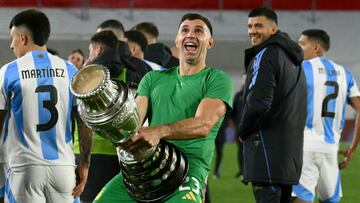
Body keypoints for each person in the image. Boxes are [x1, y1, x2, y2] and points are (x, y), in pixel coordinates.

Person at [93, 13, 233, 203]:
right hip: (143, 169)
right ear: (177, 40)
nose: (190, 34)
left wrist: (159, 131)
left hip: (188, 171)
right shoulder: (153, 78)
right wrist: (109, 122)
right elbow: (134, 121)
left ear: (210, 42)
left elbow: (203, 124)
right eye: (185, 30)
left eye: (198, 31)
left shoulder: (217, 79)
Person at [0, 9, 92, 203]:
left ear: (22, 38)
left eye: (13, 38)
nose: (11, 45)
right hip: (64, 169)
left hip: (25, 169)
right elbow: (84, 121)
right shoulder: (71, 70)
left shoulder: (8, 71)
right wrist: (85, 163)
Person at [237, 7, 307, 203]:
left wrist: (243, 131)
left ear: (273, 29)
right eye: (250, 26)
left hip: (267, 148)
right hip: (289, 153)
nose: (252, 31)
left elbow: (258, 103)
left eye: (259, 25)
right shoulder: (294, 61)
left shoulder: (266, 54)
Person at [292, 29, 360, 203]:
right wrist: (352, 148)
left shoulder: (300, 68)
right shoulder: (345, 74)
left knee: (301, 197)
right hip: (330, 149)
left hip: (304, 146)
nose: (298, 47)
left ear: (315, 48)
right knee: (329, 199)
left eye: (302, 43)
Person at [73, 30, 124, 203]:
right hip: (120, 153)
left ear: (98, 49)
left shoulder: (86, 76)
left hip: (88, 152)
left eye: (90, 51)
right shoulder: (129, 73)